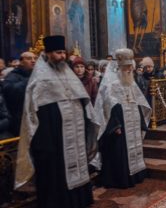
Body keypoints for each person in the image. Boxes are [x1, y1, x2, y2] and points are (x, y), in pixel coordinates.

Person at [15, 35, 99, 208]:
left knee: (77, 167)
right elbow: (34, 112)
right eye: (57, 52)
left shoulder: (69, 75)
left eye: (63, 52)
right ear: (47, 54)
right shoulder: (39, 79)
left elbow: (82, 101)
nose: (62, 56)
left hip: (74, 135)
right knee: (56, 173)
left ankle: (79, 199)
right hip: (52, 139)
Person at [94, 48, 151, 189]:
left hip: (132, 123)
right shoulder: (110, 84)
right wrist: (115, 126)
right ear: (119, 67)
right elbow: (107, 108)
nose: (130, 69)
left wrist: (141, 122)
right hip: (119, 126)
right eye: (127, 67)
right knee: (119, 153)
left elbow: (138, 102)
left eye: (130, 66)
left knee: (133, 151)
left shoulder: (130, 82)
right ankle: (120, 179)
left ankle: (136, 175)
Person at [3, 52, 36, 136]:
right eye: (29, 58)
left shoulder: (35, 74)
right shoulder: (12, 75)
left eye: (35, 58)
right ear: (21, 62)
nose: (33, 61)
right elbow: (9, 91)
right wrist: (28, 80)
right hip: (19, 118)